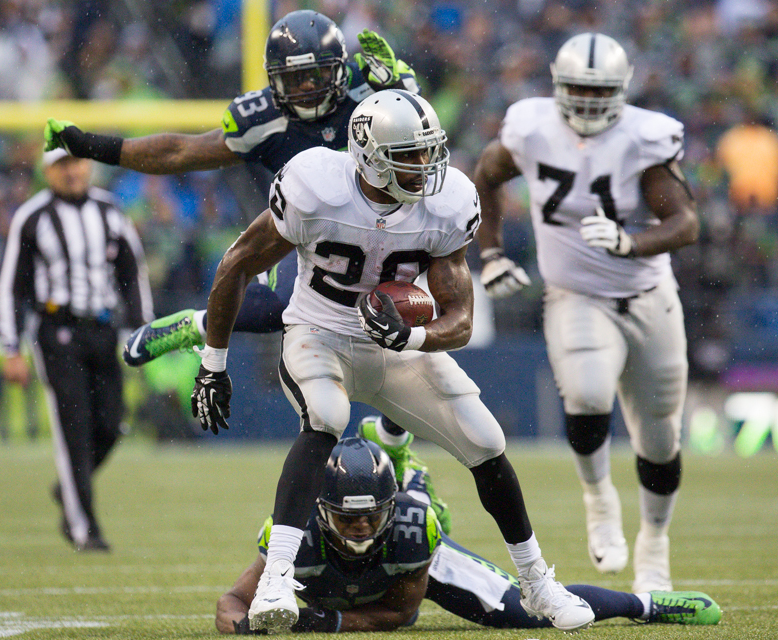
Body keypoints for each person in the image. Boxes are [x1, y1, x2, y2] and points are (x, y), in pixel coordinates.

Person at [189, 88, 596, 633]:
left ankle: (537, 583)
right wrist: (213, 364)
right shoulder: (314, 186)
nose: (425, 166)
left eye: (429, 152)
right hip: (320, 333)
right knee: (327, 417)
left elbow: (460, 319)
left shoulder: (448, 201)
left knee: (485, 438)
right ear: (367, 155)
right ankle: (275, 579)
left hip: (393, 346)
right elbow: (238, 263)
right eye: (409, 154)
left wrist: (412, 338)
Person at [41, 10, 450, 532]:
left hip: (383, 233)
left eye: (315, 74)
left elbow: (423, 146)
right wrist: (93, 145)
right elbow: (182, 151)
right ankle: (202, 322)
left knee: (413, 323)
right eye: (292, 77)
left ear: (339, 69)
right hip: (303, 242)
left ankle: (394, 448)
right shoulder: (265, 119)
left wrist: (407, 89)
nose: (304, 88)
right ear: (273, 80)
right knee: (299, 311)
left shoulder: (371, 99)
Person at [473, 33, 700, 593]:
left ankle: (654, 539)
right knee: (590, 394)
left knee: (659, 438)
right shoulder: (532, 127)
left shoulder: (643, 137)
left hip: (648, 296)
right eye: (578, 87)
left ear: (621, 91)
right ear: (557, 85)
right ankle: (598, 499)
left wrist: (630, 243)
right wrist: (492, 252)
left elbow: (685, 224)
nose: (589, 101)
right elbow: (486, 174)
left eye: (600, 90)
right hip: (575, 295)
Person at [216, 437, 722, 634]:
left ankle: (650, 605)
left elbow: (403, 613)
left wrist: (329, 621)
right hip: (351, 572)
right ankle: (395, 446)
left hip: (407, 568)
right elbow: (231, 602)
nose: (363, 526)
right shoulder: (292, 536)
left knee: (525, 613)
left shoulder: (412, 530)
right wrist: (242, 628)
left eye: (373, 513)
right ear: (320, 511)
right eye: (350, 518)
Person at [0, 147, 154, 551]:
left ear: (89, 165)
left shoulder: (109, 210)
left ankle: (68, 490)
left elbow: (133, 272)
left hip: (102, 330)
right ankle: (85, 530)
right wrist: (11, 348)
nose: (72, 172)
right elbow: (12, 286)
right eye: (62, 165)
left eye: (78, 162)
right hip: (57, 333)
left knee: (112, 423)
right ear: (47, 171)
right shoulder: (33, 217)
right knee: (74, 432)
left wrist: (144, 330)